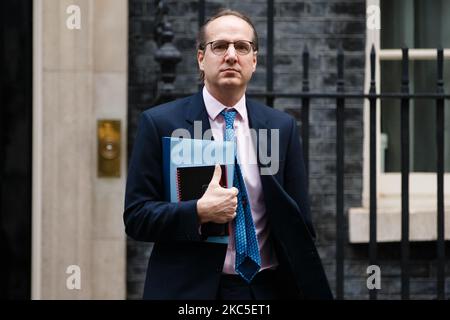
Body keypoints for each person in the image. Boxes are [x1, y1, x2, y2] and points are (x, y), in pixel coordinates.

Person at [124, 9, 332, 300]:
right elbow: (136, 217)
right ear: (200, 58)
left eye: (242, 47)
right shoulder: (161, 124)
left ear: (254, 60)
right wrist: (197, 212)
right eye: (219, 46)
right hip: (192, 292)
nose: (231, 55)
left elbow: (300, 223)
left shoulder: (281, 127)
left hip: (265, 289)